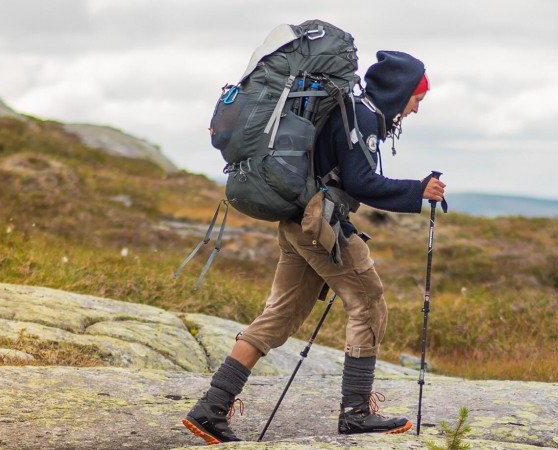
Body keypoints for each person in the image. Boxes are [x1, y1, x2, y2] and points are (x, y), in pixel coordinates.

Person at [182, 50, 445, 444]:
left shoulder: (350, 110)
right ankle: (356, 412)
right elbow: (360, 182)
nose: (415, 110)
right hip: (319, 226)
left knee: (280, 317)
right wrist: (417, 190)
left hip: (297, 223)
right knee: (368, 301)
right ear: (399, 90)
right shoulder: (362, 116)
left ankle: (211, 408)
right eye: (416, 100)